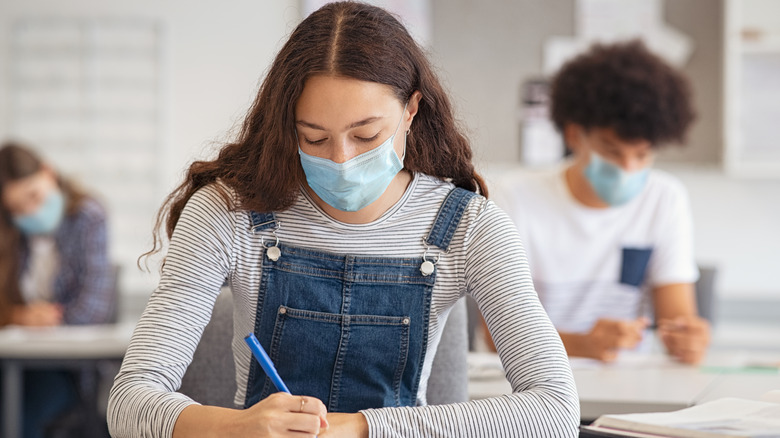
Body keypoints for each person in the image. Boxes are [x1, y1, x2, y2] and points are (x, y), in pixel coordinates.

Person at [107, 2, 579, 437]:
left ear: (411, 110)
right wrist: (233, 427)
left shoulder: (471, 228)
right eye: (313, 138)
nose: (341, 159)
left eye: (366, 135)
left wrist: (358, 429)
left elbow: (554, 409)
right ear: (285, 123)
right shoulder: (228, 212)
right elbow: (129, 402)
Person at [490, 40, 710, 365]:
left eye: (642, 154)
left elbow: (676, 320)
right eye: (612, 151)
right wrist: (582, 344)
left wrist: (688, 339)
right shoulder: (512, 198)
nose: (628, 169)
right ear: (575, 135)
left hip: (628, 389)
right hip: (533, 385)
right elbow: (496, 335)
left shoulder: (664, 198)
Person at [0, 141, 115, 438]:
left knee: (21, 412)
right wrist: (20, 317)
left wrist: (48, 319)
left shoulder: (89, 217)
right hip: (14, 360)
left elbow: (93, 309)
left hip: (66, 368)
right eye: (17, 208)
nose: (30, 211)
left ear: (48, 173)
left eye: (34, 196)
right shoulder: (11, 233)